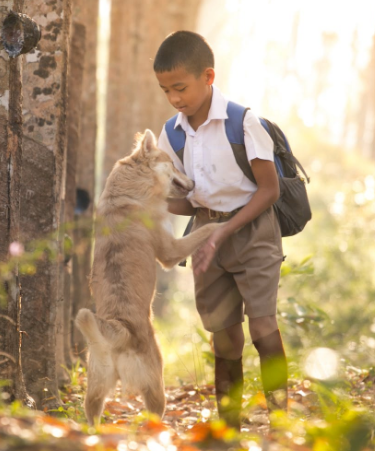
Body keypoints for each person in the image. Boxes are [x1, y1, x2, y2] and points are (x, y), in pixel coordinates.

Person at [153, 30, 288, 430]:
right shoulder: (172, 134)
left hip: (253, 231)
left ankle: (281, 422)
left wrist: (225, 231)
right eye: (166, 91)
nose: (175, 98)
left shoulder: (242, 122)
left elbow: (269, 189)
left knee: (263, 327)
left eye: (181, 87)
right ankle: (228, 427)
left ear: (208, 76)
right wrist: (149, 203)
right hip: (205, 236)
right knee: (225, 338)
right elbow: (183, 201)